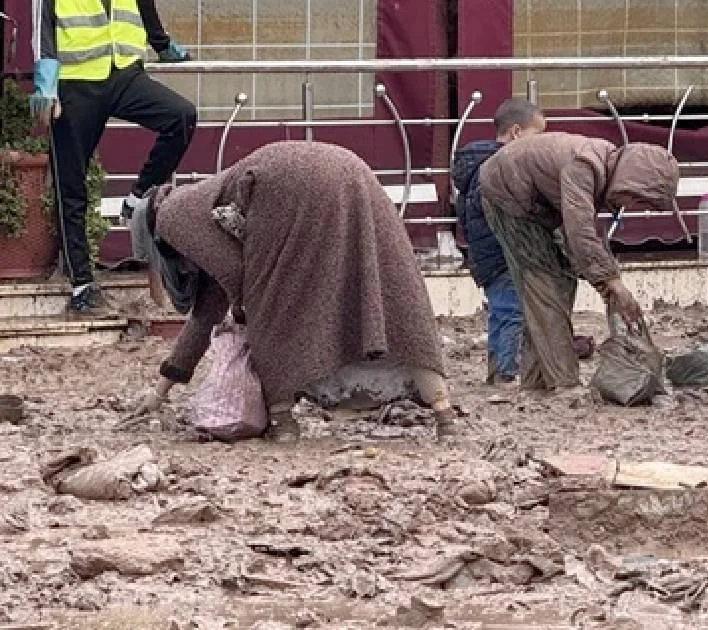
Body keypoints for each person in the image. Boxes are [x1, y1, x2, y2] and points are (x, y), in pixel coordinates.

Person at [132, 142, 450, 440]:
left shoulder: (169, 216)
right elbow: (208, 309)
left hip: (290, 184)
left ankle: (282, 420)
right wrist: (160, 391)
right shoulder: (202, 204)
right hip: (353, 171)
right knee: (390, 287)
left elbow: (237, 278)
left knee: (269, 305)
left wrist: (244, 319)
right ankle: (443, 412)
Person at [30, 0, 197, 313]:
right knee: (70, 185)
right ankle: (82, 285)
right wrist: (46, 86)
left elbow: (144, 6)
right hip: (76, 85)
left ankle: (137, 198)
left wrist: (163, 46)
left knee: (181, 117)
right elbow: (43, 29)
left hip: (124, 75)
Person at [479, 132, 678, 391]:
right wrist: (612, 282)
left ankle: (537, 381)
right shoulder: (585, 167)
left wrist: (606, 284)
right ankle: (563, 383)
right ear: (630, 182)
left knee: (552, 289)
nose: (633, 206)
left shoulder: (601, 164)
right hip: (511, 198)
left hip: (531, 202)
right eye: (638, 199)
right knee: (548, 288)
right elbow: (579, 231)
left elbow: (582, 235)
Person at [451, 98, 546, 385]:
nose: (541, 143)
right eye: (537, 135)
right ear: (516, 132)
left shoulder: (476, 166)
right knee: (512, 312)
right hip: (503, 253)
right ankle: (507, 372)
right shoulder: (500, 169)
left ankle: (498, 370)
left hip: (485, 254)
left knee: (501, 312)